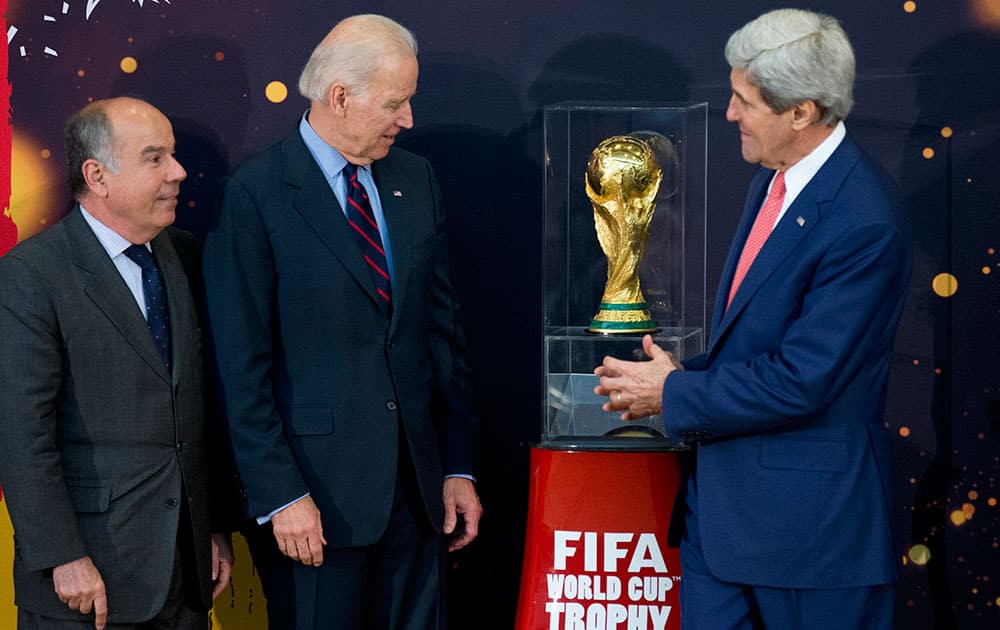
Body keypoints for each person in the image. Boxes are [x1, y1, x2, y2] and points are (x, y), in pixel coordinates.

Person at [594, 9, 911, 629]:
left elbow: (804, 378)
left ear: (803, 112)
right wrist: (682, 374)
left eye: (744, 101)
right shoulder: (775, 179)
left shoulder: (863, 220)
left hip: (810, 539)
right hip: (722, 523)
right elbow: (756, 341)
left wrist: (673, 391)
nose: (731, 114)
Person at [201, 13, 481, 630]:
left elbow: (442, 335)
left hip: (418, 498)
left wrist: (456, 464)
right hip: (314, 505)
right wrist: (280, 496)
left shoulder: (416, 178)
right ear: (339, 96)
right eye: (395, 104)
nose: (408, 120)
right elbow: (238, 366)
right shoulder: (256, 193)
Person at [0, 97, 237, 630]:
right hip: (85, 583)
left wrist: (214, 525)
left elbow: (203, 406)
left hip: (186, 575)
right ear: (97, 175)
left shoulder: (188, 255)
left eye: (172, 155)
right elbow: (20, 434)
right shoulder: (31, 276)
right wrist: (62, 556)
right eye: (155, 159)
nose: (178, 173)